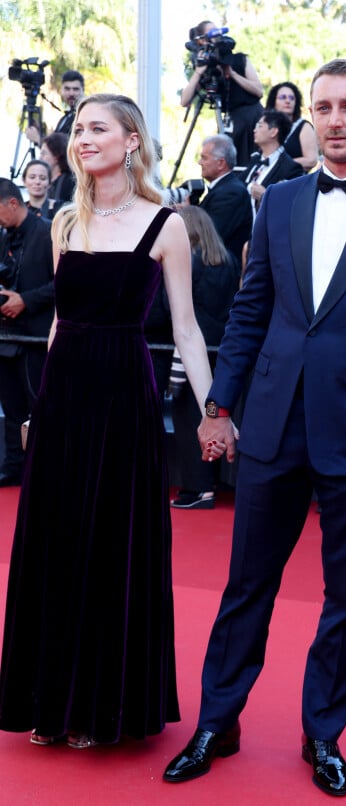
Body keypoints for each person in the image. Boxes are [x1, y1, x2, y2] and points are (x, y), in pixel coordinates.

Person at [163, 58, 346, 796]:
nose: (334, 119)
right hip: (270, 421)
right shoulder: (282, 201)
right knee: (245, 584)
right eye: (323, 106)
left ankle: (322, 732)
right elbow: (252, 311)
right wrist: (218, 407)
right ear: (311, 116)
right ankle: (215, 722)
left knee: (343, 593)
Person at [0, 93, 215, 747]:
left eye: (99, 128)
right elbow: (61, 320)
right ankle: (50, 699)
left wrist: (214, 411)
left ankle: (101, 704)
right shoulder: (66, 223)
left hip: (125, 395)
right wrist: (39, 409)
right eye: (79, 130)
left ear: (131, 141)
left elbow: (186, 329)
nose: (84, 138)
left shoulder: (167, 223)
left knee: (110, 544)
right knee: (56, 540)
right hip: (65, 398)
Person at [170, 206, 240, 509]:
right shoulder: (229, 261)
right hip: (220, 350)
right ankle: (208, 483)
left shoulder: (188, 263)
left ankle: (198, 489)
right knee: (210, 416)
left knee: (189, 421)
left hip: (192, 350)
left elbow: (169, 307)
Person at [0, 179, 54, 486]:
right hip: (8, 336)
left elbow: (66, 283)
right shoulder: (3, 236)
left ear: (12, 203)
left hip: (37, 337)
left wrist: (26, 301)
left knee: (39, 406)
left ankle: (43, 470)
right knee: (11, 407)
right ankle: (14, 466)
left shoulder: (48, 233)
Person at [180, 20, 264, 167]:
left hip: (253, 118)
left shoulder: (238, 60)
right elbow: (184, 101)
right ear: (202, 40)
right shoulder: (206, 70)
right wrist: (199, 72)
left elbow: (258, 91)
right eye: (211, 33)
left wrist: (232, 74)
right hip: (232, 123)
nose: (217, 36)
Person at [198, 134, 252, 267]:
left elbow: (212, 235)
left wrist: (190, 214)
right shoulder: (225, 188)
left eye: (204, 158)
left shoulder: (232, 193)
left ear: (221, 163)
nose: (200, 162)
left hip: (221, 274)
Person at [242, 110, 304, 219]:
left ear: (273, 132)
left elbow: (293, 206)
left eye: (260, 126)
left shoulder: (291, 168)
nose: (254, 130)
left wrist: (265, 195)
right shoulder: (255, 159)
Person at [265, 82, 319, 172]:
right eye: (283, 97)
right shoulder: (265, 126)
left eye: (291, 98)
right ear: (273, 101)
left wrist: (277, 165)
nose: (288, 101)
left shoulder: (304, 126)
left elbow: (311, 160)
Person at [26, 69, 85, 145]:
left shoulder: (83, 116)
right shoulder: (65, 117)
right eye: (67, 89)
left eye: (75, 89)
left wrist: (38, 139)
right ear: (62, 90)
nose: (71, 93)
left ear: (83, 90)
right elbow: (55, 148)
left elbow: (67, 149)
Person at [40, 132, 76, 204]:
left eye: (44, 153)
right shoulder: (45, 180)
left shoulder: (69, 182)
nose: (40, 157)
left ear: (56, 156)